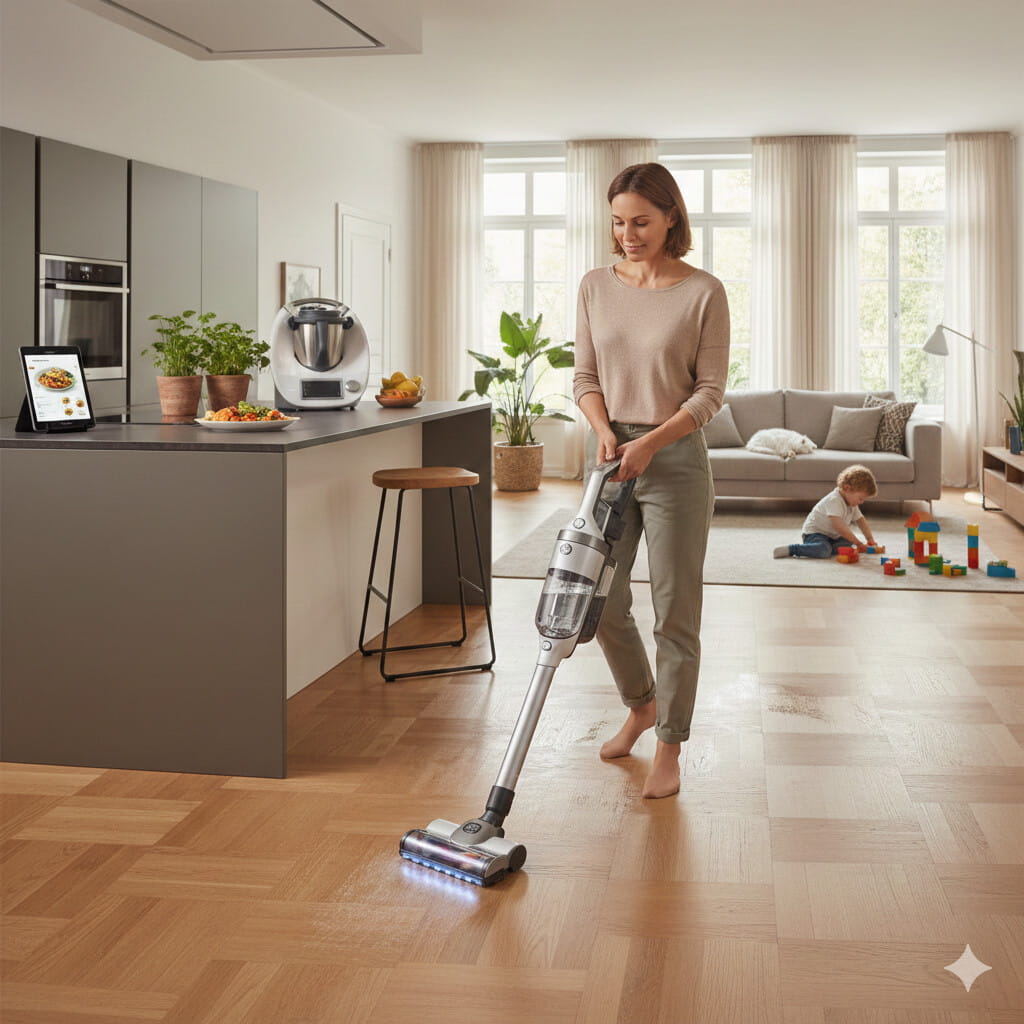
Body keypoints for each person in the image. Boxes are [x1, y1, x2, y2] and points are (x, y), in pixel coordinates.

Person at [573, 162, 730, 799]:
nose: (627, 233)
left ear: (672, 217)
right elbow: (584, 377)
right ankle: (640, 702)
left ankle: (669, 742)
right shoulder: (593, 285)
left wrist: (650, 442)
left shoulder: (704, 291)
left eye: (641, 220)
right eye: (618, 221)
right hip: (610, 455)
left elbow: (710, 392)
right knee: (601, 600)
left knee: (676, 610)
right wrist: (604, 430)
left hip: (676, 460)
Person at [773, 464, 879, 559]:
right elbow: (840, 528)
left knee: (848, 543)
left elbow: (861, 521)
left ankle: (825, 547)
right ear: (847, 488)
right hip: (815, 533)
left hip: (833, 536)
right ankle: (792, 549)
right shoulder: (834, 500)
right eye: (860, 498)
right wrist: (859, 543)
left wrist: (870, 539)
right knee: (823, 551)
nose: (862, 502)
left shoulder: (851, 503)